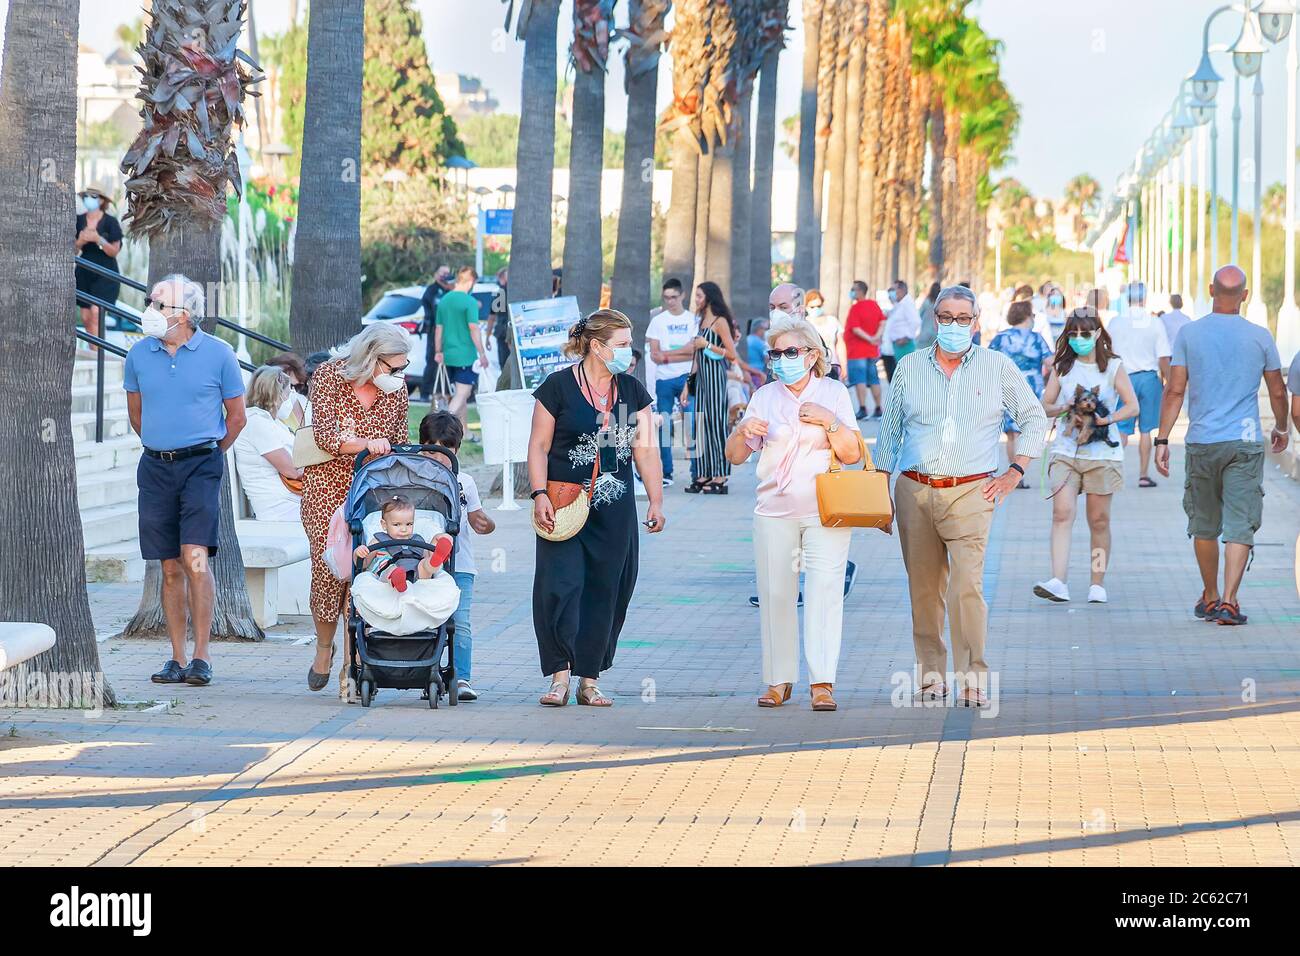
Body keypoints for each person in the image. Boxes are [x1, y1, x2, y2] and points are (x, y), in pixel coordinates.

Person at [875, 285, 1048, 707]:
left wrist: (1014, 471)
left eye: (963, 318)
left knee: (966, 588)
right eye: (946, 317)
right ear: (936, 320)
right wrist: (880, 493)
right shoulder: (909, 367)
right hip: (914, 489)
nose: (954, 325)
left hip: (972, 491)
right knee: (924, 590)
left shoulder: (996, 366)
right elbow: (890, 431)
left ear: (976, 321)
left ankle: (973, 679)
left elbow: (1035, 419)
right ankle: (931, 676)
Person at [528, 308, 665, 707]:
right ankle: (559, 675)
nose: (629, 352)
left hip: (614, 507)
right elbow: (537, 446)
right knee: (560, 587)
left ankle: (589, 679)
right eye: (622, 345)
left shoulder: (630, 391)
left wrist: (656, 499)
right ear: (596, 346)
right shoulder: (558, 387)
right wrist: (538, 494)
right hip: (563, 503)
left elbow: (645, 448)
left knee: (607, 589)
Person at [726, 315, 862, 712]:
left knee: (824, 593)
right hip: (773, 510)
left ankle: (823, 682)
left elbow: (852, 454)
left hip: (826, 512)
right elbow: (735, 457)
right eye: (775, 353)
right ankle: (778, 680)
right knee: (775, 595)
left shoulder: (833, 392)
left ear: (811, 355)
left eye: (790, 352)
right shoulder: (765, 396)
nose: (781, 359)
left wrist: (830, 421)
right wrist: (741, 430)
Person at [125, 274, 246, 687]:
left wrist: (208, 453)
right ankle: (176, 657)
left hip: (201, 465)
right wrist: (165, 447)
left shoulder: (219, 354)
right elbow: (136, 417)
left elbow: (237, 418)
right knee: (170, 566)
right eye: (151, 301)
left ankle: (201, 657)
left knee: (196, 558)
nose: (151, 310)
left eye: (159, 304)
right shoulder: (139, 355)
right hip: (156, 467)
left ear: (184, 312)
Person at [1155, 265, 1290, 626]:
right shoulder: (1261, 336)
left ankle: (1210, 595)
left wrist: (1162, 438)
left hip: (1201, 442)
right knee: (1239, 524)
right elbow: (1277, 390)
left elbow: (1175, 390)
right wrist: (1281, 428)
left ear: (1211, 290)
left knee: (1204, 524)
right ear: (1245, 296)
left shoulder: (1189, 334)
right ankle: (1230, 601)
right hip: (1245, 442)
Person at [301, 324, 411, 700]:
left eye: (402, 368)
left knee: (366, 568)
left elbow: (400, 440)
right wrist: (367, 442)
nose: (398, 375)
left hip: (372, 488)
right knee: (329, 569)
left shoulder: (397, 390)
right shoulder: (330, 375)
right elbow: (325, 436)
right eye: (393, 367)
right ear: (370, 358)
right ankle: (323, 646)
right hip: (326, 486)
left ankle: (353, 663)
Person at [1033, 309, 1139, 604]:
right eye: (1073, 334)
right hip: (1066, 452)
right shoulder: (1063, 367)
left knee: (1099, 520)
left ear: (1097, 335)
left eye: (1085, 334)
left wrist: (1108, 420)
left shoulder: (1113, 367)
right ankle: (1058, 581)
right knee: (1062, 513)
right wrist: (1064, 406)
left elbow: (1132, 406)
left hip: (1103, 455)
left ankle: (1097, 582)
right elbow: (1045, 405)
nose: (1079, 339)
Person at [420, 410, 496, 701]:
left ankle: (461, 677)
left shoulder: (465, 481)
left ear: (457, 449)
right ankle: (427, 672)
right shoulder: (414, 478)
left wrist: (485, 523)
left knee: (460, 622)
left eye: (446, 450)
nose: (440, 457)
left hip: (460, 566)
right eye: (433, 449)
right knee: (427, 621)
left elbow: (480, 520)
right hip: (425, 566)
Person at [1106, 281, 1171, 488]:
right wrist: (1168, 380)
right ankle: (1143, 475)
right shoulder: (1155, 323)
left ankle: (1110, 471)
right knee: (1146, 430)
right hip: (1149, 378)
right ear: (1144, 298)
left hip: (1124, 377)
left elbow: (1108, 351)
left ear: (1127, 299)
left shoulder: (1116, 322)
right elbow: (1163, 357)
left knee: (1122, 429)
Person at [987, 300, 1054, 485]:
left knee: (1012, 434)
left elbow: (988, 362)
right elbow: (1051, 362)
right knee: (1029, 430)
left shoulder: (1000, 338)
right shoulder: (1036, 338)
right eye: (1032, 315)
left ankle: (1015, 474)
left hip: (1006, 389)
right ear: (1027, 316)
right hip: (1031, 389)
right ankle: (1020, 471)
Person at [684, 281, 743, 494]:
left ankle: (720, 475)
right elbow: (696, 358)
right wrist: (686, 386)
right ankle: (705, 473)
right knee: (702, 425)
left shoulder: (719, 322)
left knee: (717, 426)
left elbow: (731, 354)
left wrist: (707, 344)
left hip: (716, 378)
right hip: (701, 381)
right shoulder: (701, 321)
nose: (697, 300)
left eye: (699, 296)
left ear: (709, 297)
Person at [645, 277, 698, 488]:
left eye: (674, 297)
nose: (670, 302)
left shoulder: (692, 320)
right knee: (663, 426)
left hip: (687, 378)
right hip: (664, 380)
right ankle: (667, 472)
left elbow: (695, 351)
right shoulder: (657, 321)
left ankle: (697, 472)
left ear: (682, 295)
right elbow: (656, 356)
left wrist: (669, 354)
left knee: (694, 423)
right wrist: (682, 352)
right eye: (666, 298)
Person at [232, 366, 303, 521]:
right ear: (276, 394)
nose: (292, 395)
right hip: (279, 505)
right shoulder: (256, 422)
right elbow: (293, 471)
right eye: (289, 390)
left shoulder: (271, 421)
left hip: (290, 498)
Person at [353, 495, 454, 592]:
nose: (404, 529)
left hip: (417, 574)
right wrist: (358, 553)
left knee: (425, 565)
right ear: (384, 525)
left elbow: (425, 555)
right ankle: (396, 579)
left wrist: (436, 541)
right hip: (389, 570)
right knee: (391, 570)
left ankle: (435, 560)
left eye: (409, 524)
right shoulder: (378, 541)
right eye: (397, 524)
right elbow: (363, 564)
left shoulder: (417, 540)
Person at [435, 266, 490, 428]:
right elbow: (474, 328)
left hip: (448, 354)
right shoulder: (470, 302)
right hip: (465, 355)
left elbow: (439, 329)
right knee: (462, 393)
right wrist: (482, 353)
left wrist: (438, 351)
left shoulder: (444, 300)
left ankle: (464, 431)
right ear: (471, 281)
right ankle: (441, 425)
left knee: (460, 395)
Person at [74, 183, 123, 346]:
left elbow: (114, 251)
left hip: (105, 272)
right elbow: (72, 251)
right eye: (86, 196)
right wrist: (80, 241)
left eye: (94, 196)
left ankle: (98, 353)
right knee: (86, 316)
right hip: (84, 270)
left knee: (97, 313)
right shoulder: (78, 220)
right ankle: (94, 351)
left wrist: (98, 239)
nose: (89, 199)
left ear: (102, 200)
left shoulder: (110, 222)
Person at [843, 279, 886, 419]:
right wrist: (875, 337)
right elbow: (883, 321)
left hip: (857, 352)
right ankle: (879, 408)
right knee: (874, 380)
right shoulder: (874, 305)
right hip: (871, 351)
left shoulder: (856, 308)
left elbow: (855, 329)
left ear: (860, 291)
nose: (852, 291)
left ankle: (863, 408)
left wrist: (869, 338)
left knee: (859, 380)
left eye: (853, 289)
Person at [419, 264, 453, 400]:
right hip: (435, 330)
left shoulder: (451, 290)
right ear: (436, 275)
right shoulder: (431, 291)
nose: (445, 276)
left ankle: (445, 390)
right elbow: (431, 309)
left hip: (449, 331)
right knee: (432, 361)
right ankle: (425, 392)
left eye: (447, 273)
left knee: (449, 361)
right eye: (442, 273)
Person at [882, 280, 920, 380]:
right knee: (899, 377)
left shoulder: (907, 303)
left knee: (904, 376)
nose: (891, 293)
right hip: (897, 345)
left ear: (902, 290)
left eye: (893, 289)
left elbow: (916, 321)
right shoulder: (900, 304)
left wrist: (906, 337)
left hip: (904, 345)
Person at [805, 288, 844, 376]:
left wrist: (844, 365)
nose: (816, 309)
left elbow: (840, 345)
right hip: (813, 366)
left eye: (818, 306)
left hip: (833, 365)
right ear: (806, 306)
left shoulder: (833, 321)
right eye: (812, 307)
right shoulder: (804, 324)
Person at [265, 351, 310, 428]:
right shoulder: (263, 412)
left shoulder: (306, 405)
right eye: (285, 385)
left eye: (295, 386)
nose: (290, 390)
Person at [488, 267, 511, 370]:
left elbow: (492, 316)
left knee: (504, 363)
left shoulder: (500, 293)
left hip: (503, 331)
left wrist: (488, 335)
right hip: (508, 331)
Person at [917, 281, 941, 350]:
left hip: (925, 332)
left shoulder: (927, 301)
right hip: (936, 332)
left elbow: (920, 314)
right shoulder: (940, 302)